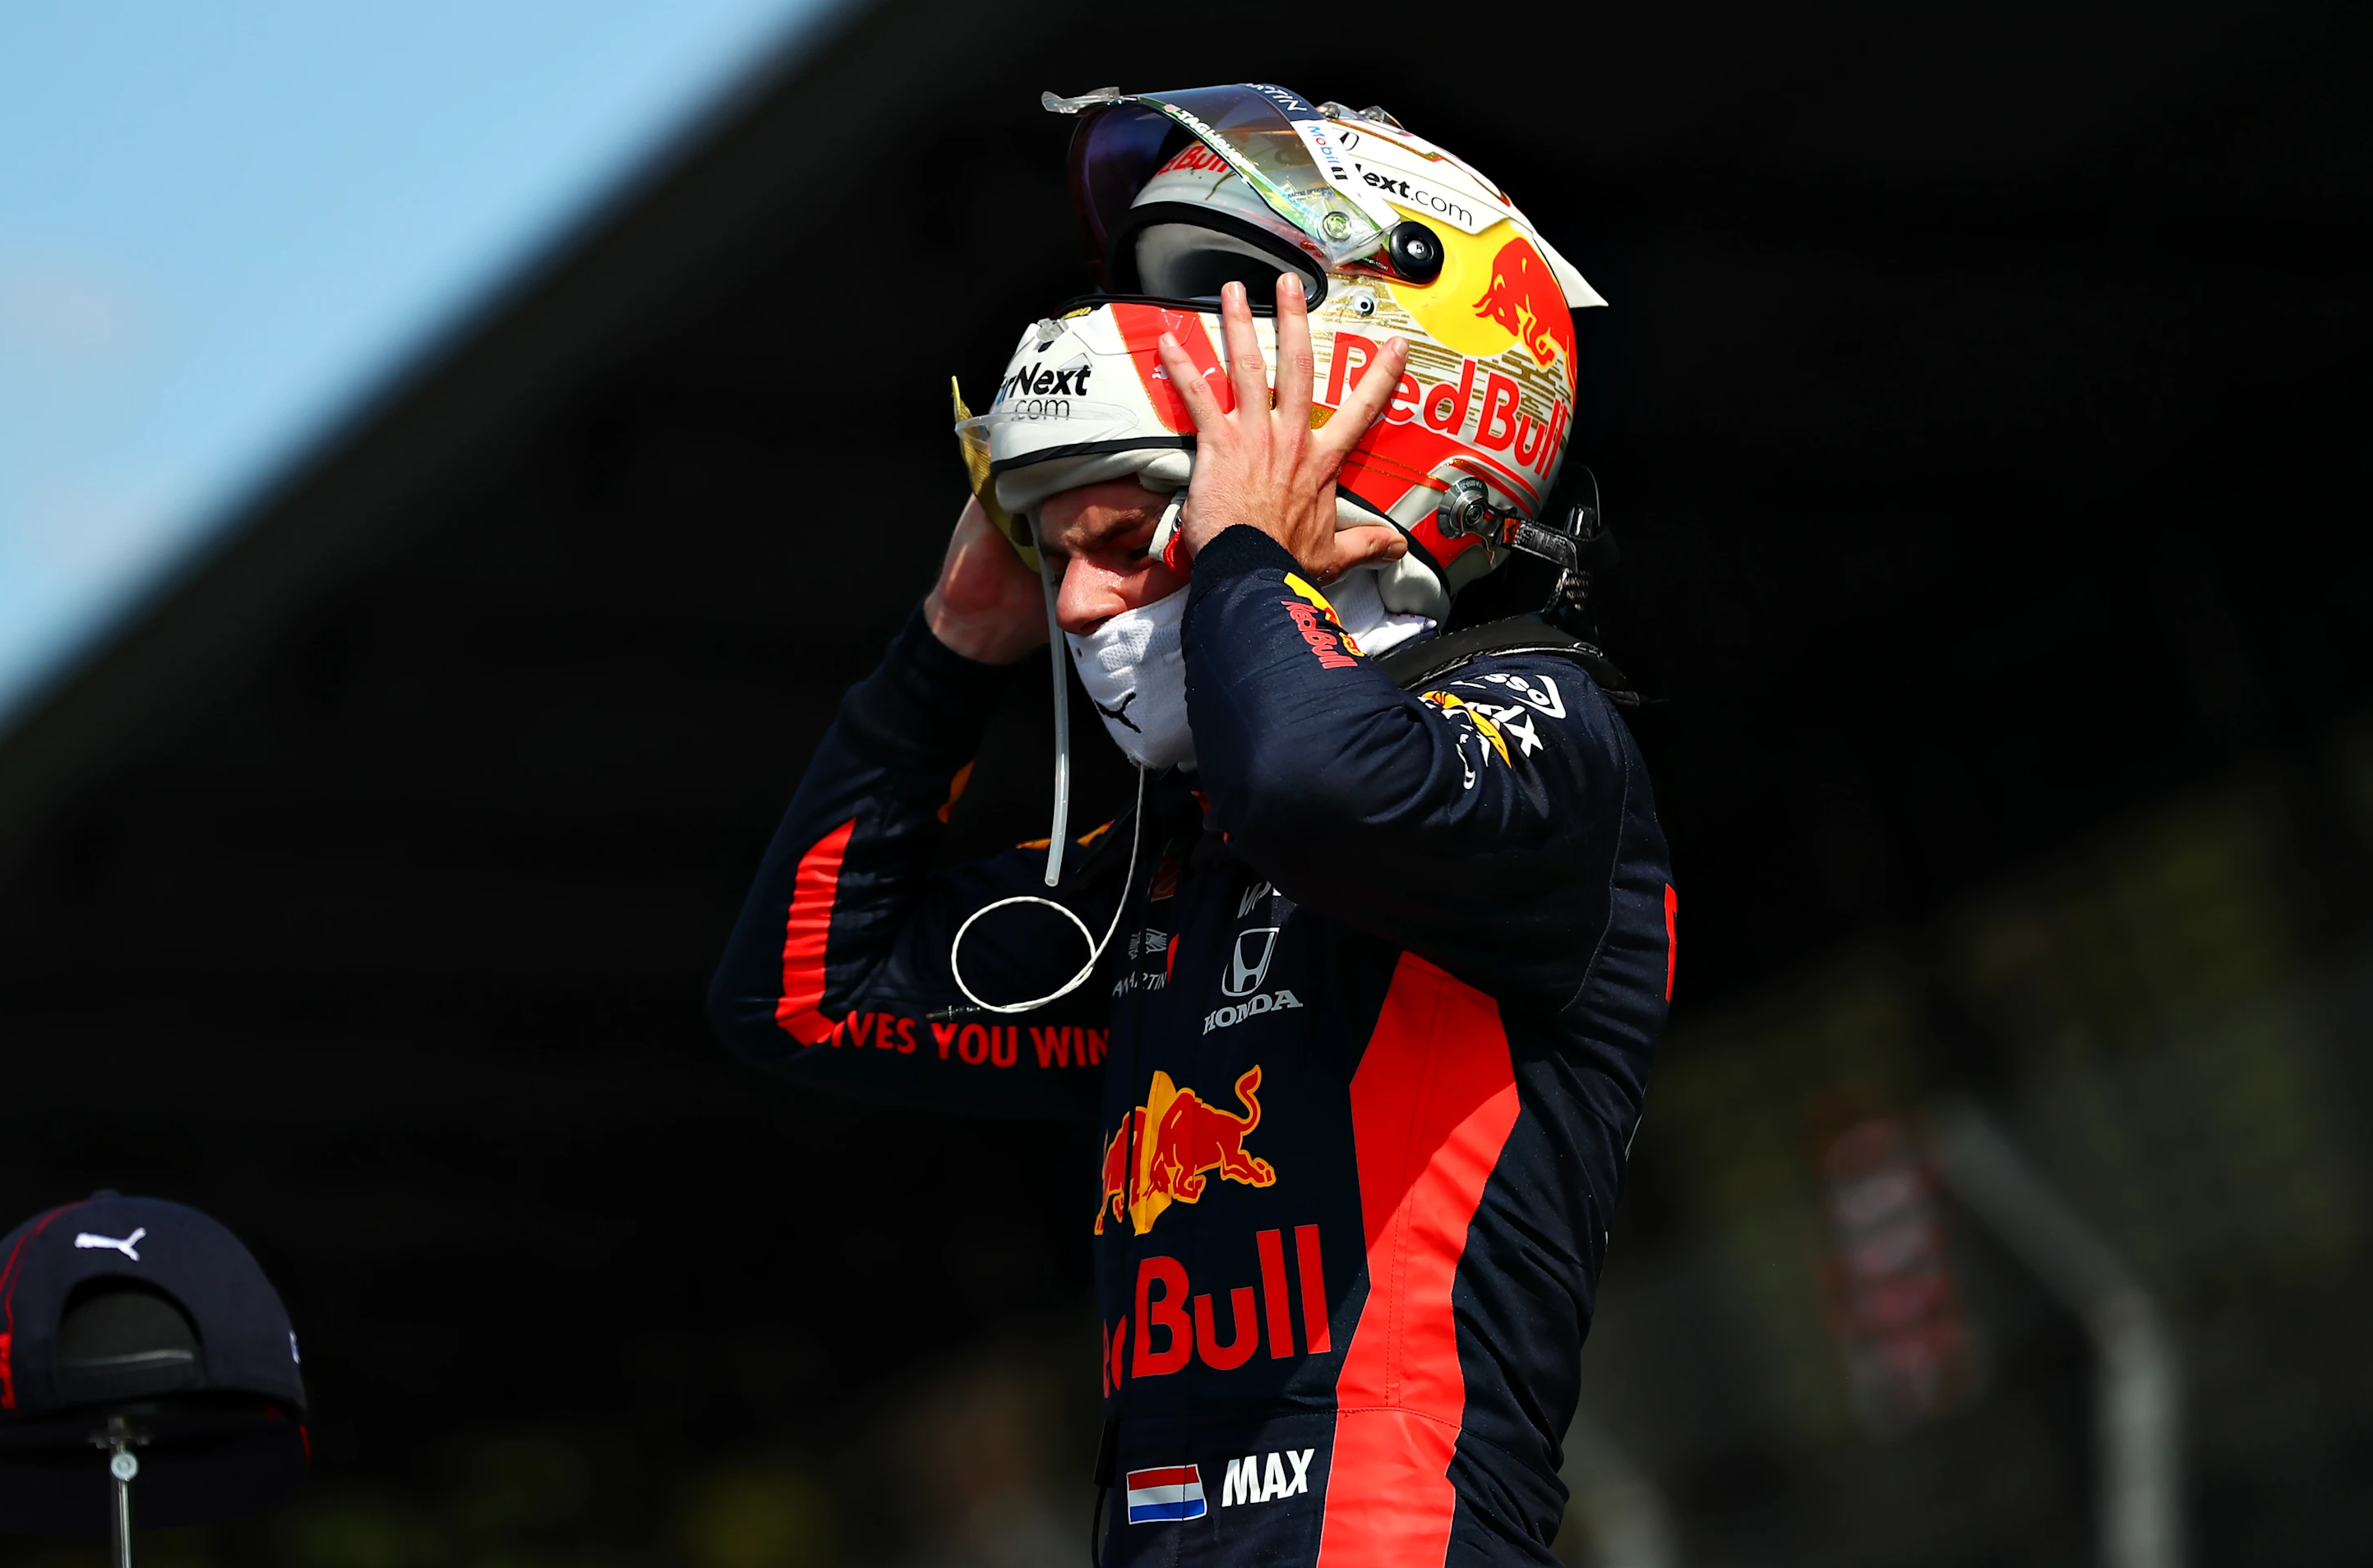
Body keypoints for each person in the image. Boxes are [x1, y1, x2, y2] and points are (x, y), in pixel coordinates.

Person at [709, 85, 1673, 1567]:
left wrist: (1236, 553)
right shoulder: (1178, 858)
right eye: (1055, 552)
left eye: (1126, 533)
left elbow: (1318, 783)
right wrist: (951, 646)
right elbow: (803, 1000)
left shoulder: (1541, 721)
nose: (1079, 600)